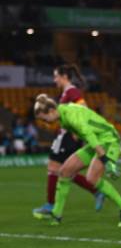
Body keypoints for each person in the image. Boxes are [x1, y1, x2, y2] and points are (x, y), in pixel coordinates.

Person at [32, 94, 121, 227]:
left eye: (44, 119)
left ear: (51, 111)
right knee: (64, 171)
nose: (46, 123)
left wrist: (105, 159)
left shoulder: (69, 115)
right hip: (97, 140)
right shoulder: (63, 114)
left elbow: (89, 134)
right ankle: (56, 214)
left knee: (91, 178)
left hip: (107, 139)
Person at [32, 64, 105, 216]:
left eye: (56, 76)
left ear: (64, 77)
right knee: (63, 170)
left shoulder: (72, 92)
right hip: (65, 135)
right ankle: (96, 191)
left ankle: (51, 205)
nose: (54, 80)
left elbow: (83, 109)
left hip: (67, 136)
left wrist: (76, 133)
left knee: (54, 168)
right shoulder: (66, 93)